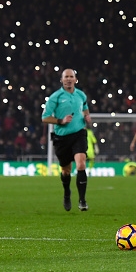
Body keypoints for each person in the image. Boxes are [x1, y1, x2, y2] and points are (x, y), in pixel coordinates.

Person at [42, 68, 91, 212]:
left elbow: (86, 108)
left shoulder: (81, 95)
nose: (69, 79)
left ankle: (82, 200)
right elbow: (45, 117)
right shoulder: (55, 97)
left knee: (81, 164)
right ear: (61, 80)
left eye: (71, 76)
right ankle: (67, 193)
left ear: (76, 79)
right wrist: (60, 120)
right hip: (61, 137)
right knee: (66, 170)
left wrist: (87, 117)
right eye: (66, 77)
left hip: (79, 134)